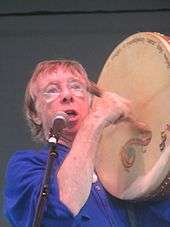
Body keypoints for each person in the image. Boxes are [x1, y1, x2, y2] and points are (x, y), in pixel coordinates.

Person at [4, 60, 170, 227]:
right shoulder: (25, 166)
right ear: (35, 115)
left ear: (91, 102)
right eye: (52, 90)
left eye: (76, 87)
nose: (67, 96)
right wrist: (96, 119)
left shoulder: (121, 167)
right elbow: (56, 214)